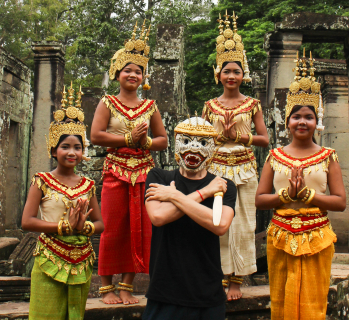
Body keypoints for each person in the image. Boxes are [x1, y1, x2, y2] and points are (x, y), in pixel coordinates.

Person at [254, 51, 346, 320]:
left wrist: (308, 195)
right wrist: (285, 196)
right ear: (287, 122)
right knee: (281, 300)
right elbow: (260, 199)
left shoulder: (328, 156)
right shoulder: (275, 156)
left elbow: (340, 202)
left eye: (309, 116)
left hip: (317, 235)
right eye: (296, 117)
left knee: (313, 304)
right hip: (280, 235)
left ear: (317, 122)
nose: (302, 122)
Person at [90, 20, 168, 305]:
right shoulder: (108, 102)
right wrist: (127, 140)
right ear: (117, 74)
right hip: (115, 170)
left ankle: (127, 285)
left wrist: (144, 143)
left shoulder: (150, 106)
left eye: (138, 71)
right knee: (113, 227)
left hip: (144, 171)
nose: (133, 74)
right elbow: (96, 135)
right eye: (127, 70)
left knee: (140, 226)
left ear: (143, 77)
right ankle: (105, 287)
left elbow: (163, 140)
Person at [22, 84, 104, 320]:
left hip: (81, 259)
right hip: (50, 256)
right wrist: (63, 227)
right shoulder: (42, 181)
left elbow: (100, 224)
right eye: (65, 147)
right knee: (45, 314)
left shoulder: (88, 185)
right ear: (53, 149)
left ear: (83, 152)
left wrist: (84, 227)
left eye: (77, 147)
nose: (72, 152)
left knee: (75, 315)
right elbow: (27, 221)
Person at [142, 116, 237, 320]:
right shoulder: (159, 177)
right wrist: (204, 193)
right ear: (176, 144)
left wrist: (173, 196)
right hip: (165, 291)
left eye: (202, 143)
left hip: (207, 293)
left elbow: (219, 224)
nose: (193, 149)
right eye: (186, 141)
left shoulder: (224, 186)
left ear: (212, 147)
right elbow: (158, 217)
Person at [202, 10, 269, 301]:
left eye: (237, 71)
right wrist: (219, 137)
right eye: (227, 71)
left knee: (243, 224)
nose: (232, 76)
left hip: (244, 169)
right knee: (216, 222)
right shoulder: (209, 106)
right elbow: (201, 140)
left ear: (244, 74)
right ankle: (217, 275)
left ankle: (237, 279)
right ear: (218, 74)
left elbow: (265, 140)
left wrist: (239, 137)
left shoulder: (252, 104)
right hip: (215, 169)